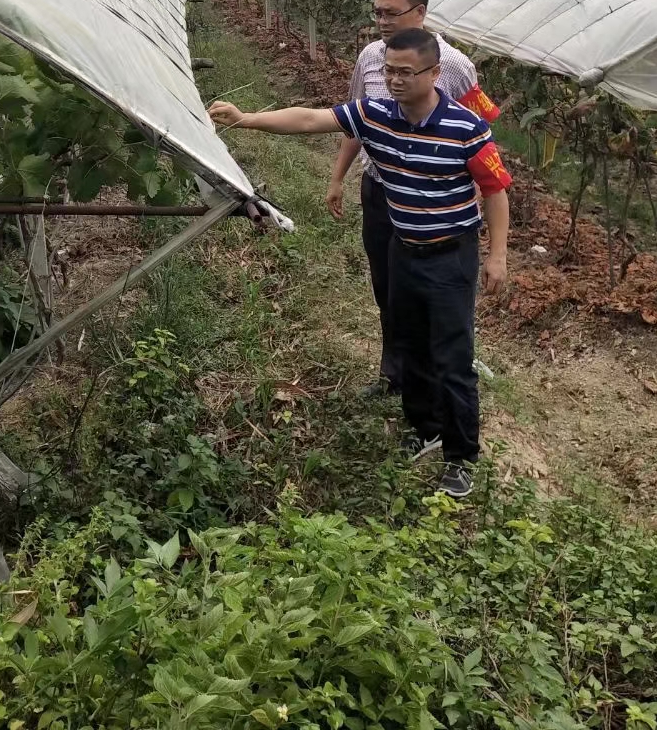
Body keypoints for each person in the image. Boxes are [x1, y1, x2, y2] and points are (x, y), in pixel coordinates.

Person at [210, 28, 511, 498]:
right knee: (406, 339)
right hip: (404, 248)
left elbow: (495, 191)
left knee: (451, 356)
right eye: (389, 70)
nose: (394, 80)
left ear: (434, 73)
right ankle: (426, 427)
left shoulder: (466, 127)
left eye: (405, 73)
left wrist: (497, 256)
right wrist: (246, 119)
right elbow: (311, 120)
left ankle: (460, 455)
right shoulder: (374, 113)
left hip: (451, 255)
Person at [327, 0, 500, 400]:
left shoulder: (457, 67)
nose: (382, 21)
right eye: (377, 13)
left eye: (391, 13)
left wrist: (473, 196)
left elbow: (481, 134)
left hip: (432, 200)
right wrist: (338, 177)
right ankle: (395, 373)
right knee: (388, 287)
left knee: (436, 301)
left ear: (419, 11)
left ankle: (441, 379)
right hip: (380, 190)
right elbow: (356, 120)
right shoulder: (371, 57)